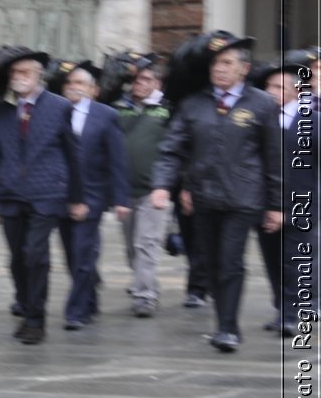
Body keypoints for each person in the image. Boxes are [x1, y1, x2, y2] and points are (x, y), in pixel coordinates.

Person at [149, 30, 283, 353]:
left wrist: (277, 205)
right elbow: (172, 149)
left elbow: (275, 158)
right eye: (215, 63)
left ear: (243, 69)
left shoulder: (262, 104)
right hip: (204, 197)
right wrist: (162, 185)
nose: (219, 69)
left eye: (226, 63)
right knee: (212, 262)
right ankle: (223, 321)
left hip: (243, 199)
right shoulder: (194, 105)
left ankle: (227, 328)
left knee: (230, 260)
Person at [0, 45, 86, 345]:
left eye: (25, 72)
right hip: (10, 194)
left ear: (39, 75)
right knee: (16, 259)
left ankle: (36, 319)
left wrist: (77, 197)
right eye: (14, 72)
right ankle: (26, 307)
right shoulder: (1, 111)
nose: (19, 77)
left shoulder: (59, 106)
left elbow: (73, 153)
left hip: (47, 192)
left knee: (35, 253)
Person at [49, 60, 129, 329]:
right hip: (61, 195)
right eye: (70, 83)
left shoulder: (106, 115)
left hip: (93, 195)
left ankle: (75, 311)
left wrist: (120, 199)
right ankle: (90, 298)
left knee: (84, 252)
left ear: (93, 89)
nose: (74, 88)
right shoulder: (56, 113)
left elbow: (116, 160)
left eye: (80, 83)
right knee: (72, 256)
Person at [251, 48, 318, 336]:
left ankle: (292, 314)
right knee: (272, 260)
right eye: (269, 86)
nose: (272, 92)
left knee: (295, 261)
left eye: (279, 87)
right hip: (265, 203)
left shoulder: (313, 121)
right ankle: (281, 308)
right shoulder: (259, 120)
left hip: (302, 204)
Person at [112, 55, 172, 317]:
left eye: (146, 79)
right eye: (136, 79)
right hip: (125, 190)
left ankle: (144, 296)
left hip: (153, 190)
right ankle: (146, 282)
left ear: (157, 83)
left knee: (146, 244)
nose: (140, 84)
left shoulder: (167, 109)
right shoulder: (118, 107)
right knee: (130, 247)